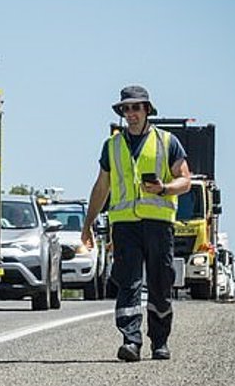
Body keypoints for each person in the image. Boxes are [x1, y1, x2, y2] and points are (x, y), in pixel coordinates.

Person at [80, 85, 191, 362]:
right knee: (127, 282)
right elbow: (101, 186)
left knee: (160, 282)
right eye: (126, 109)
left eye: (136, 108)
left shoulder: (168, 142)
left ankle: (160, 341)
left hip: (158, 224)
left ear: (147, 110)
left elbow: (186, 181)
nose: (131, 113)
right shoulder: (112, 146)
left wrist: (164, 188)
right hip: (124, 225)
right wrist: (88, 223)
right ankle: (131, 340)